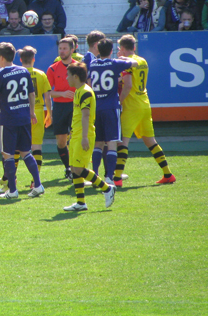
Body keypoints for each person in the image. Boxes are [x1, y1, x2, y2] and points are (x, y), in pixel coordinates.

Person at [114, 34, 176, 186]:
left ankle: (116, 178)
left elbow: (128, 85)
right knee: (150, 141)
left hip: (132, 105)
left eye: (119, 48)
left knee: (122, 142)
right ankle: (168, 174)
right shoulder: (142, 60)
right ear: (134, 47)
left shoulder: (127, 63)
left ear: (122, 48)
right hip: (144, 103)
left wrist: (119, 102)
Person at [0, 42, 44, 199]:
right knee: (26, 152)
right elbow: (32, 94)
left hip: (9, 119)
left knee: (8, 154)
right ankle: (38, 185)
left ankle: (12, 190)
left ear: (1, 57)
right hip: (24, 117)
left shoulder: (1, 75)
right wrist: (31, 112)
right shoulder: (24, 71)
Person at [63, 62, 116, 211]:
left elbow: (86, 115)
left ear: (75, 76)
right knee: (74, 168)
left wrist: (84, 137)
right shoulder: (79, 91)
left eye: (68, 75)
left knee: (79, 169)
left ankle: (107, 188)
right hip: (76, 135)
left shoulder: (85, 91)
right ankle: (81, 202)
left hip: (83, 135)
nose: (66, 78)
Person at [88, 38, 137, 186]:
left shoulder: (92, 64)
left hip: (96, 107)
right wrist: (122, 58)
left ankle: (95, 176)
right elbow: (134, 63)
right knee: (111, 143)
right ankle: (109, 177)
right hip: (111, 107)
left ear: (98, 50)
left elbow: (89, 83)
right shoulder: (115, 63)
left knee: (98, 143)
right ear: (111, 50)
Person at [18, 46, 51, 178]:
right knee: (37, 146)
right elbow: (47, 96)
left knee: (16, 147)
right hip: (37, 111)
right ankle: (35, 180)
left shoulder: (17, 73)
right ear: (33, 59)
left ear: (20, 60)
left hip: (20, 112)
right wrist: (49, 114)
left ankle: (10, 180)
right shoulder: (41, 74)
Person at [46, 37, 76, 179]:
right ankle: (68, 168)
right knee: (61, 141)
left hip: (76, 106)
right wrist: (62, 93)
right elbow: (47, 92)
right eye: (60, 48)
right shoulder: (52, 68)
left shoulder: (78, 67)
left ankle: (77, 167)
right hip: (59, 107)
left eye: (65, 48)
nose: (62, 51)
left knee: (77, 138)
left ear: (72, 49)